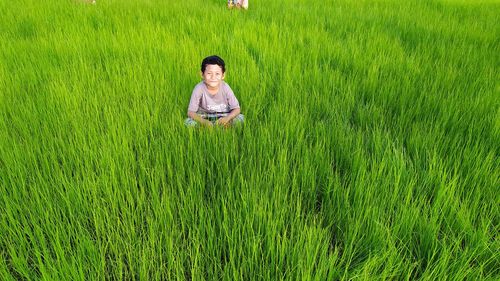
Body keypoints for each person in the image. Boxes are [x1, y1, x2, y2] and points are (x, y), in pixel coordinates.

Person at [185, 55, 244, 128]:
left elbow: (237, 109)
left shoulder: (225, 87)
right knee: (188, 123)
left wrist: (227, 118)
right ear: (202, 74)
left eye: (217, 74)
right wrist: (204, 122)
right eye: (209, 73)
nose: (213, 77)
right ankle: (205, 130)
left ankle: (225, 127)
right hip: (204, 116)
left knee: (241, 118)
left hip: (224, 115)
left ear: (223, 75)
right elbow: (190, 112)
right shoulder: (199, 88)